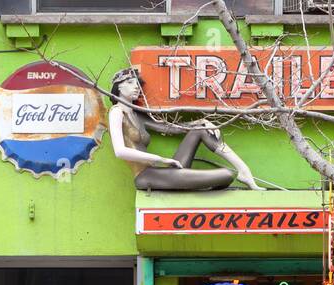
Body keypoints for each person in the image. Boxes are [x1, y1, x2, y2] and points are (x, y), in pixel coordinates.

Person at [107, 67, 261, 192]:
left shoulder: (137, 114)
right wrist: (162, 159)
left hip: (165, 172)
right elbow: (119, 151)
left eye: (137, 83)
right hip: (146, 175)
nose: (136, 87)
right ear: (118, 87)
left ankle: (244, 170)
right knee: (227, 175)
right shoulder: (116, 112)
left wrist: (202, 122)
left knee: (201, 129)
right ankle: (193, 189)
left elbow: (171, 129)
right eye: (129, 82)